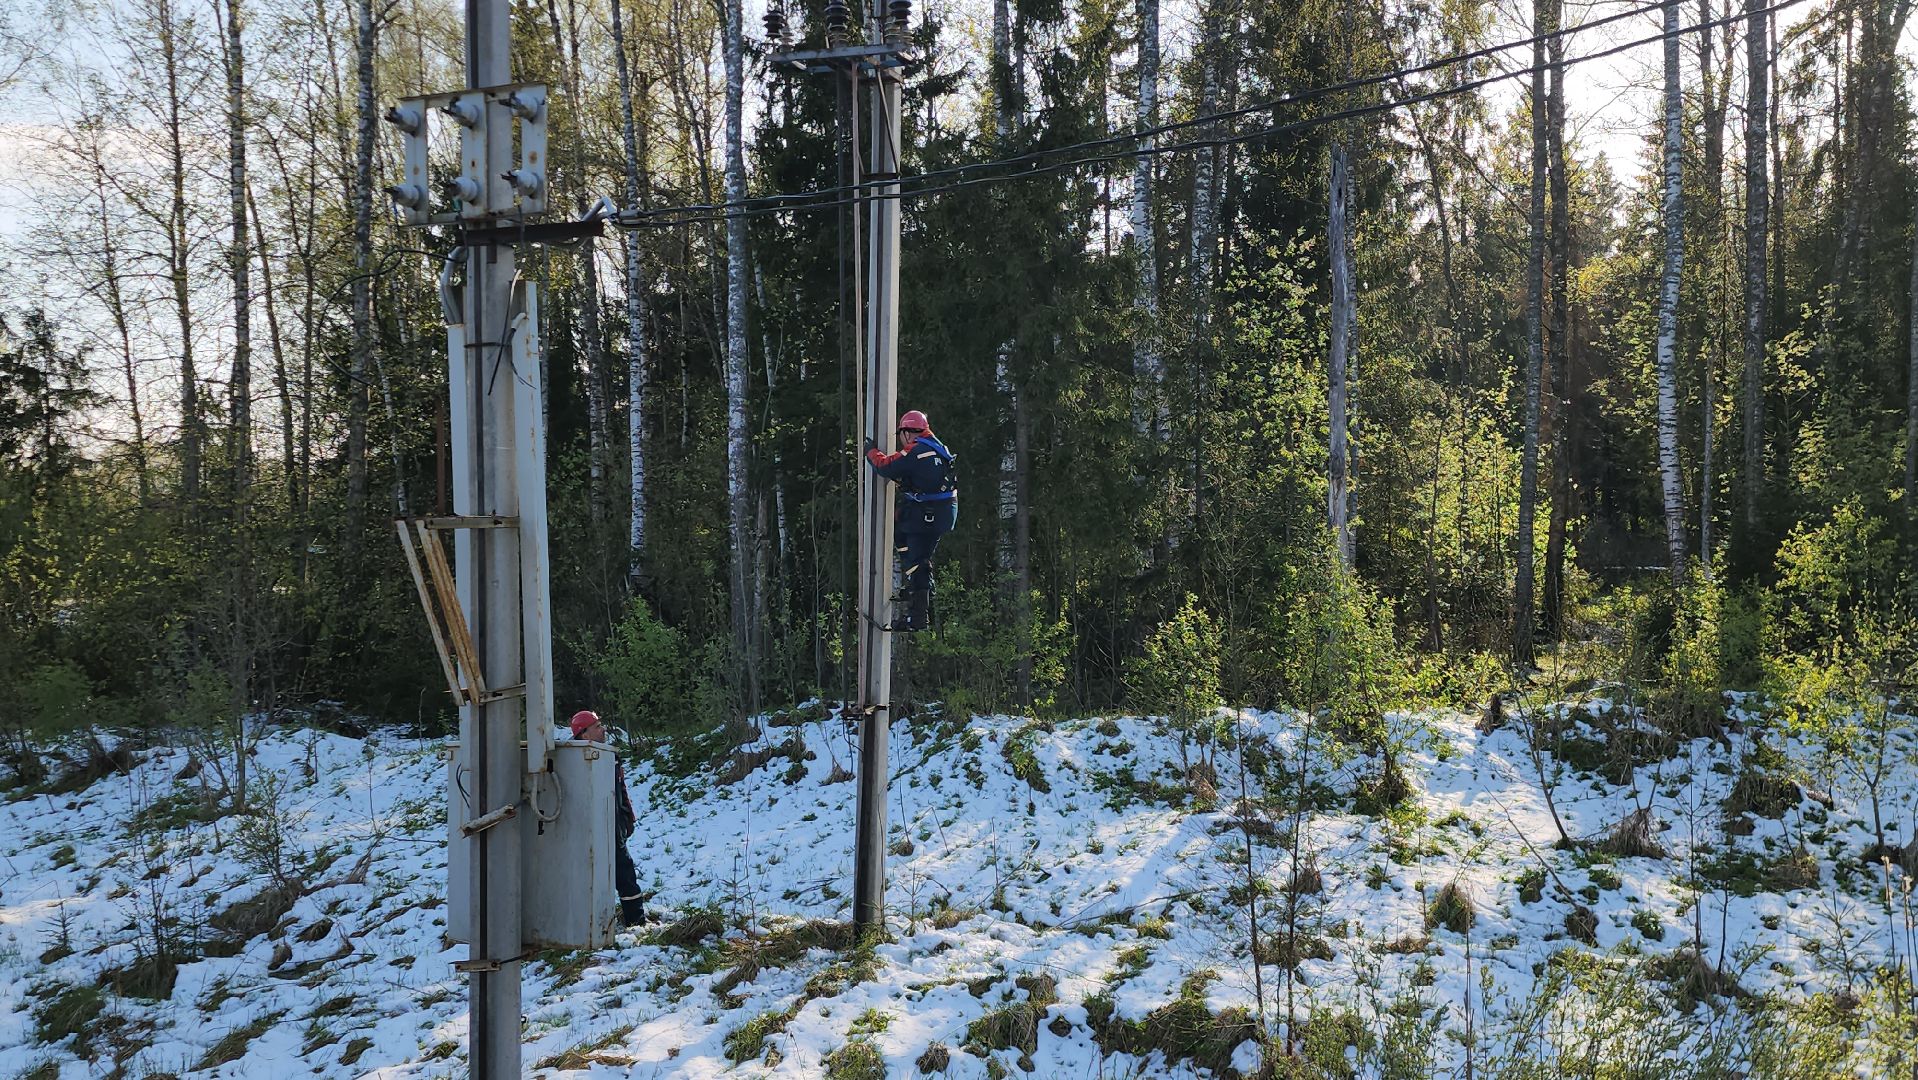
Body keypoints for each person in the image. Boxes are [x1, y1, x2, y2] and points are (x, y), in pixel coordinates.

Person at [865, 409, 957, 632]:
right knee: (903, 538)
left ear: (907, 432)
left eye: (901, 435)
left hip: (926, 515)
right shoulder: (938, 447)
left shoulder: (915, 452)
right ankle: (919, 589)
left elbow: (885, 466)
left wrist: (870, 451)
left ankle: (917, 618)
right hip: (943, 513)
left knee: (918, 560)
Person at [569, 709, 646, 927]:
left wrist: (627, 818)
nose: (603, 730)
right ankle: (597, 924)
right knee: (607, 875)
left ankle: (634, 921)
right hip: (592, 829)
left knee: (625, 874)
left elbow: (620, 791)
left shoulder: (607, 756)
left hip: (613, 826)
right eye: (597, 727)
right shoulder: (575, 760)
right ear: (584, 735)